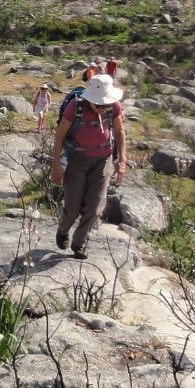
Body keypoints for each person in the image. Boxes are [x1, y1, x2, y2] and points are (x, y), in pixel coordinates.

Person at [50, 74, 126, 260]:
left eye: (105, 104)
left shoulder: (113, 106)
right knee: (73, 206)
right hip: (77, 158)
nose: (102, 108)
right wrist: (56, 166)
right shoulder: (75, 106)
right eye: (98, 104)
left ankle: (79, 243)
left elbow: (119, 131)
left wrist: (122, 160)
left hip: (103, 158)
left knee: (95, 206)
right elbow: (59, 136)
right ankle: (63, 230)